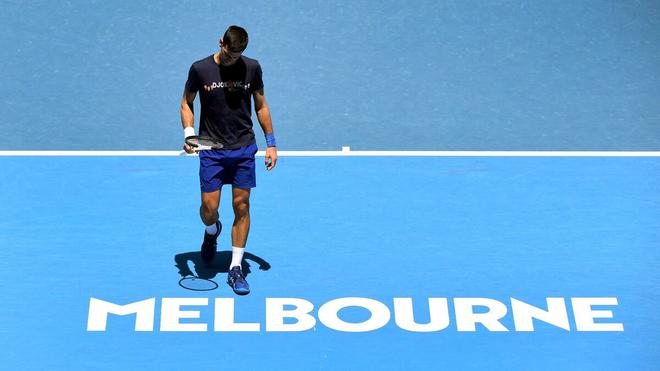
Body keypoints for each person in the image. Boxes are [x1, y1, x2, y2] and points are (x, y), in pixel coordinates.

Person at [180, 25, 277, 295]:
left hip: (243, 148)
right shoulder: (200, 69)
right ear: (221, 42)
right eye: (229, 53)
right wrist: (190, 134)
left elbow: (261, 105)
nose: (233, 59)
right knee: (208, 209)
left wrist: (271, 144)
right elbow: (187, 103)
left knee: (242, 206)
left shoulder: (253, 68)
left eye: (238, 55)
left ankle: (235, 268)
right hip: (211, 150)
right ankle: (212, 232)